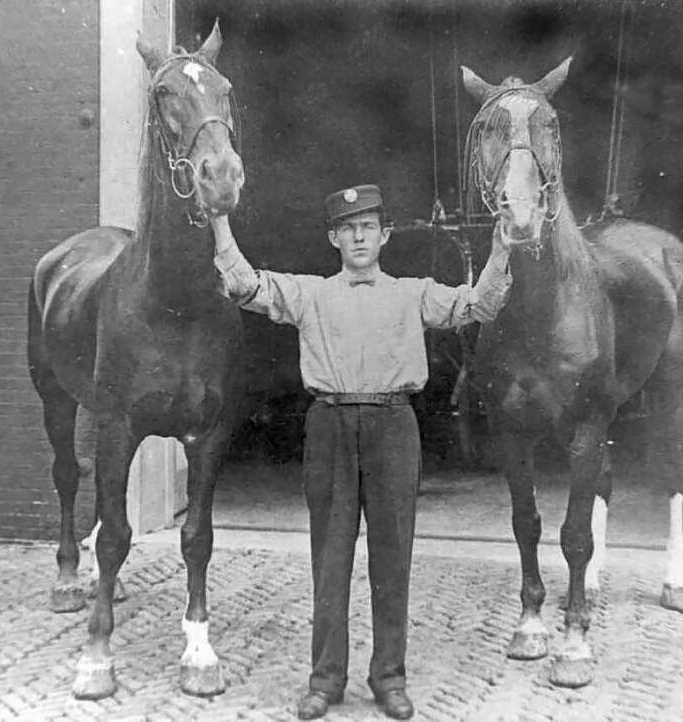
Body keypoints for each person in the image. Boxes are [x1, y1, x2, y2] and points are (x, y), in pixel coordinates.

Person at [211, 184, 512, 720]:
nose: (358, 236)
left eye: (368, 226)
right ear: (334, 238)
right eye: (348, 228)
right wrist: (218, 222)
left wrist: (505, 245)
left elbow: (479, 304)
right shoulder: (309, 294)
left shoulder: (413, 293)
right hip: (329, 426)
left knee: (392, 559)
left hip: (393, 427)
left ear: (384, 235)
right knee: (330, 560)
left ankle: (389, 677)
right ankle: (325, 680)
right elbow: (245, 285)